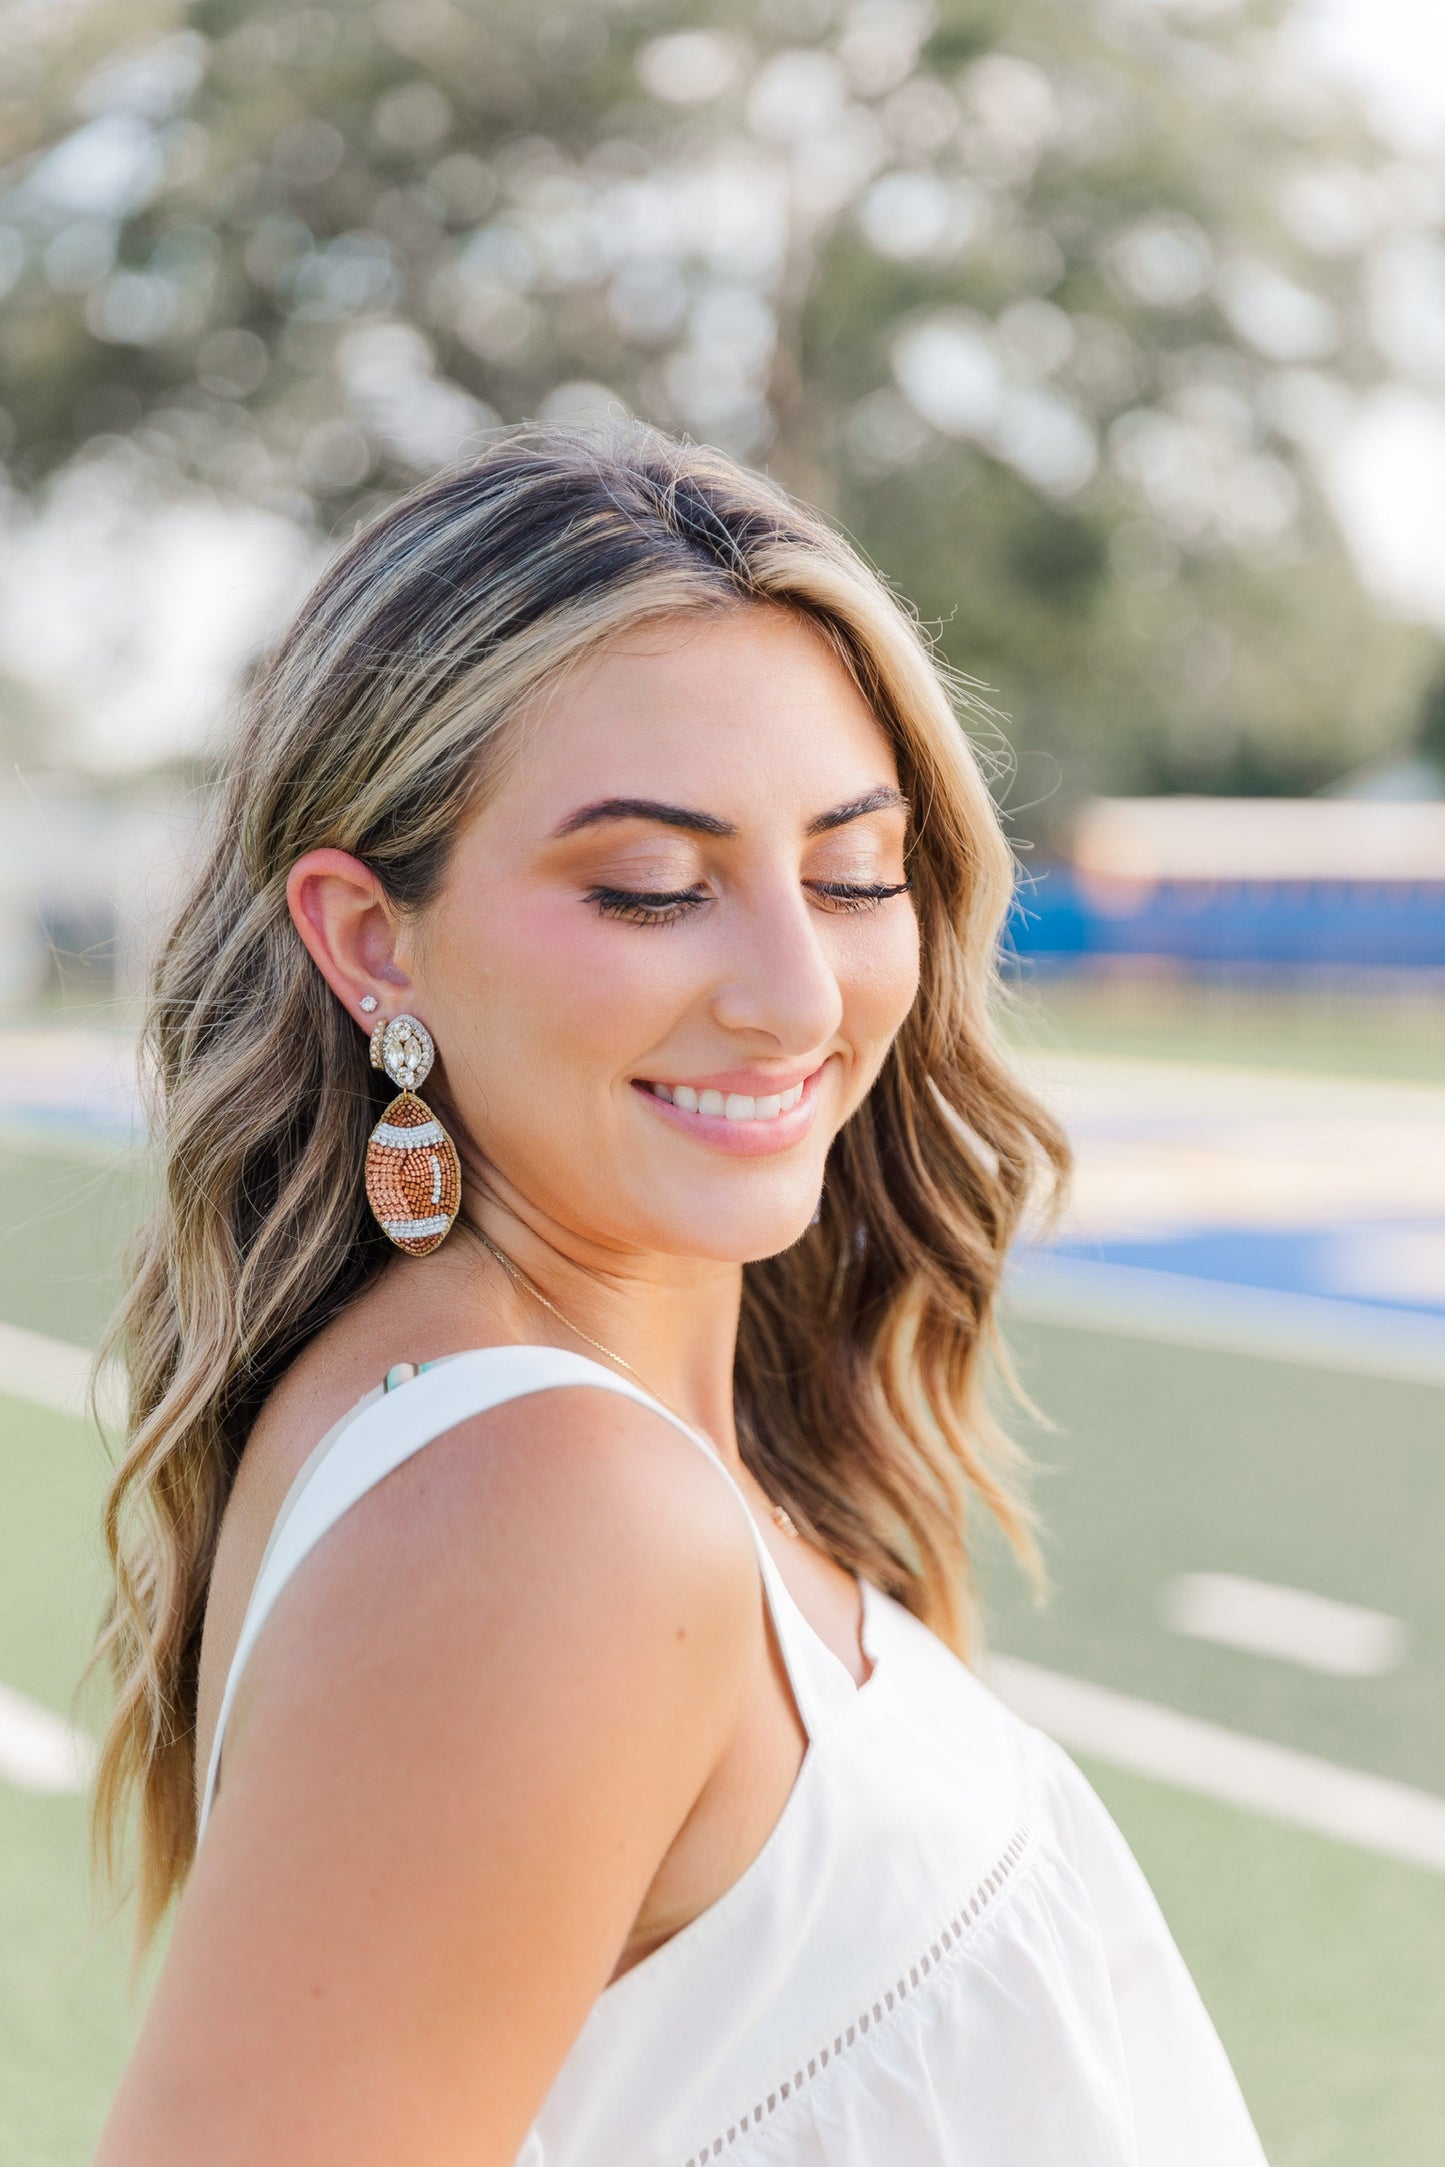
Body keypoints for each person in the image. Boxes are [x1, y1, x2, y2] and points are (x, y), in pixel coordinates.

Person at [90, 421, 1267, 2165]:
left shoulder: (556, 1446)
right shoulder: (547, 1511)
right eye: (651, 890)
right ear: (368, 938)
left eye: (854, 873)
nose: (796, 993)